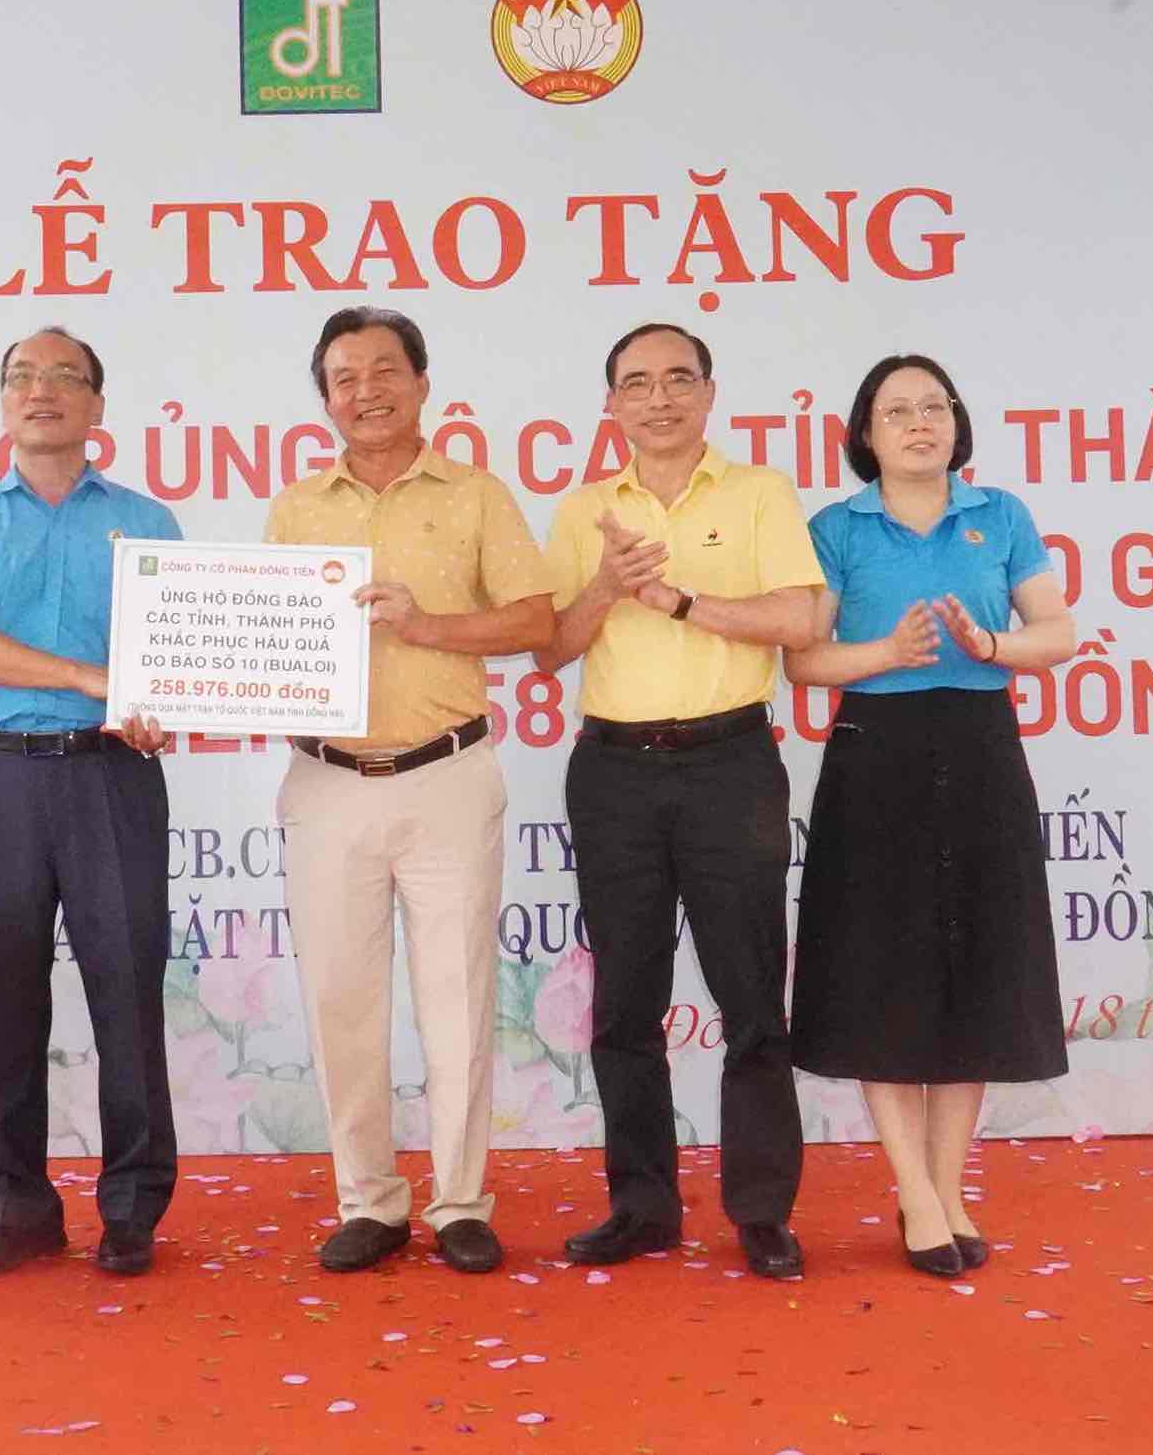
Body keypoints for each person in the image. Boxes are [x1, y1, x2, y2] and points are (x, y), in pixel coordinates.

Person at [267, 307, 554, 1274]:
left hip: (446, 772)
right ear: (324, 400)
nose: (366, 392)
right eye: (344, 377)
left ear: (424, 383)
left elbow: (530, 617)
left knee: (457, 998)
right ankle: (369, 1201)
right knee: (340, 1000)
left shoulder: (477, 494)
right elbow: (256, 637)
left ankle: (461, 1200)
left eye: (385, 370)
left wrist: (424, 625)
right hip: (325, 780)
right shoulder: (296, 507)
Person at [534, 323, 820, 1281]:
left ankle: (761, 1210)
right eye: (635, 384)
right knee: (625, 1003)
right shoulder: (583, 511)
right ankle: (641, 1207)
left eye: (676, 380)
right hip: (613, 772)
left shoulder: (757, 494)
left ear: (708, 392)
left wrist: (684, 601)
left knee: (750, 998)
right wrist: (607, 587)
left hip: (728, 763)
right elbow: (549, 648)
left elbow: (799, 616)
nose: (657, 399)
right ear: (609, 405)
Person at [784, 353, 1076, 1277]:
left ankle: (950, 1188)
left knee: (975, 969)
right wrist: (884, 651)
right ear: (864, 434)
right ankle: (912, 1192)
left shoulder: (1001, 516)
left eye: (932, 407)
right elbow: (801, 663)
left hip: (981, 748)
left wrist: (992, 643)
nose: (918, 423)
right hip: (877, 753)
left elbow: (1058, 634)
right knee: (883, 972)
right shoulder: (836, 527)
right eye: (895, 410)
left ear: (956, 422)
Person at [0, 327, 178, 1279]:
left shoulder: (150, 524)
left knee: (126, 989)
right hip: (1, 777)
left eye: (66, 376)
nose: (42, 390)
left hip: (112, 774)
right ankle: (16, 1202)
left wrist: (157, 701)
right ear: (1, 402)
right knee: (6, 994)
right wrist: (89, 678)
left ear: (99, 407)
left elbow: (174, 661)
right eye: (22, 375)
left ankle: (133, 1205)